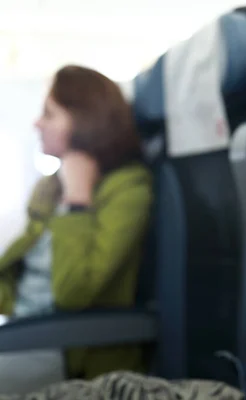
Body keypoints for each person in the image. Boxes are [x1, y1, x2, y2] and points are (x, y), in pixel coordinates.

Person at [0, 65, 153, 393]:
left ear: (85, 119)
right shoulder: (49, 188)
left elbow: (74, 293)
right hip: (22, 330)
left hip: (64, 346)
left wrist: (78, 200)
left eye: (49, 114)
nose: (36, 123)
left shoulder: (129, 189)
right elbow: (22, 279)